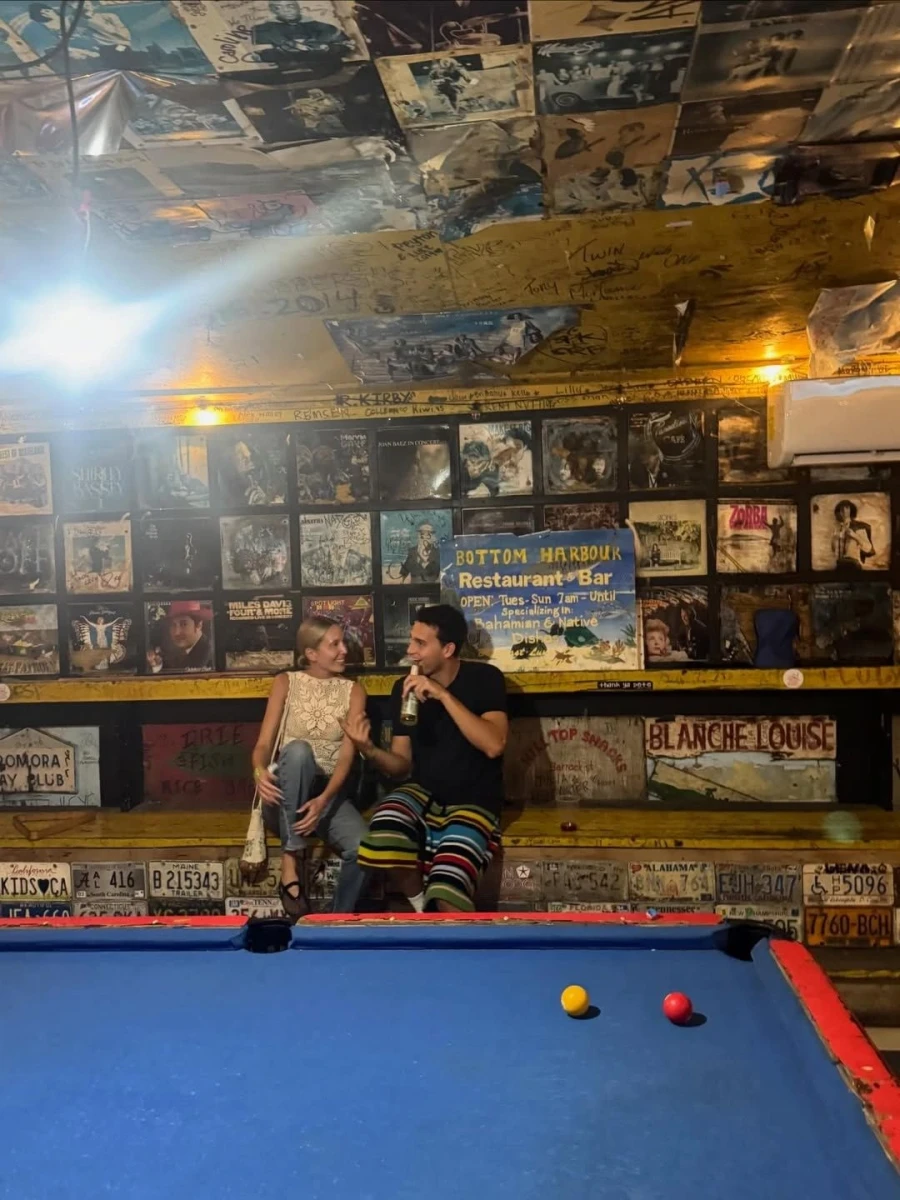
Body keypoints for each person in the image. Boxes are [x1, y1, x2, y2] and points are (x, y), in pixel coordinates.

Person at [342, 604, 508, 912]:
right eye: (411, 640)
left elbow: (494, 745)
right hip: (423, 794)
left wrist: (442, 695)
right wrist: (370, 750)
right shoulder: (403, 688)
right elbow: (401, 765)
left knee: (447, 891)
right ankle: (421, 908)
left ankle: (450, 923)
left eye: (420, 643)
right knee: (384, 831)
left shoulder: (485, 678)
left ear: (448, 649)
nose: (410, 650)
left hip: (473, 799)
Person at [252, 616, 369, 918]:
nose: (344, 650)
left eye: (343, 642)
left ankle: (337, 921)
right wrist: (259, 772)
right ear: (312, 653)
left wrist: (324, 800)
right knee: (299, 751)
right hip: (283, 795)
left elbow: (346, 758)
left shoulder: (354, 691)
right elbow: (263, 745)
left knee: (364, 847)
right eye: (335, 644)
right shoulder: (286, 682)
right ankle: (290, 858)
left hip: (323, 794)